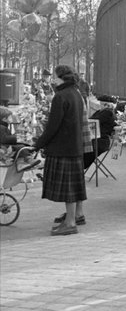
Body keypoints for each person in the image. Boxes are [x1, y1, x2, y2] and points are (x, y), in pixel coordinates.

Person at [34, 65, 88, 236]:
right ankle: (75, 216)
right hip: (74, 146)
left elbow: (52, 126)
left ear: (60, 77)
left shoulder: (60, 96)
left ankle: (70, 223)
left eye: (54, 76)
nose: (52, 79)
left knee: (68, 189)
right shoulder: (76, 93)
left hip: (62, 148)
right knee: (74, 186)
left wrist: (38, 145)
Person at [0, 106, 40, 172]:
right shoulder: (1, 127)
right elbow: (4, 139)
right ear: (4, 119)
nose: (11, 118)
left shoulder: (3, 127)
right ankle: (27, 160)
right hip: (3, 148)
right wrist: (16, 137)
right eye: (10, 117)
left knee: (22, 146)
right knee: (20, 147)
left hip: (5, 146)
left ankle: (23, 162)